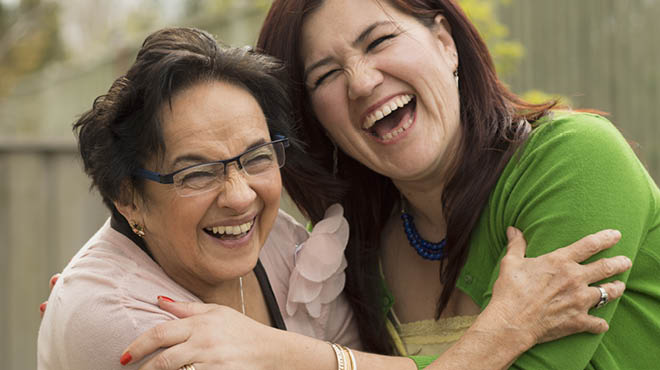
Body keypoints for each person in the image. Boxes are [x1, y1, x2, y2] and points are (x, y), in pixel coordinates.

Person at [122, 0, 659, 369]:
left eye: (379, 40)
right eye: (326, 75)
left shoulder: (576, 158)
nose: (361, 81)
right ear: (316, 118)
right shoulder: (352, 240)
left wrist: (282, 355)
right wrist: (114, 279)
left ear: (445, 42)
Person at [38, 27, 362, 369]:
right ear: (128, 197)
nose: (239, 197)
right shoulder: (125, 322)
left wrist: (283, 351)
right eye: (198, 174)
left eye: (256, 158)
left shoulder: (277, 240)